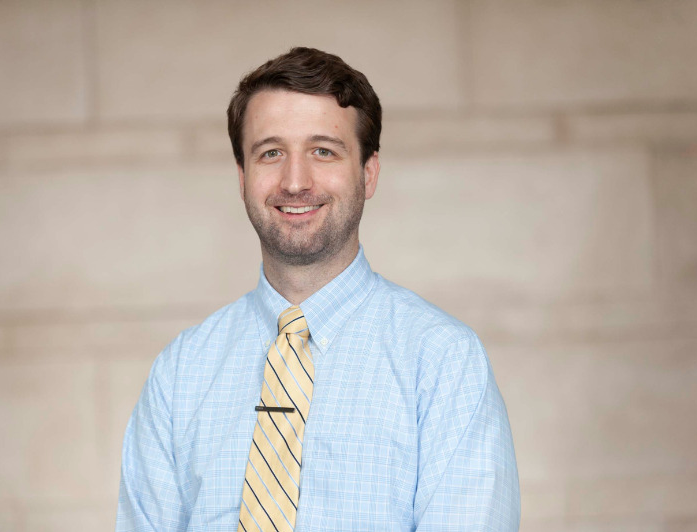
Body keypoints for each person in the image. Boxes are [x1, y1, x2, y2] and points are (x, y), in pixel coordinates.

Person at [117, 47, 520, 531]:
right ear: (243, 177)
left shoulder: (443, 362)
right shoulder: (180, 374)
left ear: (368, 173)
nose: (294, 181)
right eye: (271, 153)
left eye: (323, 151)